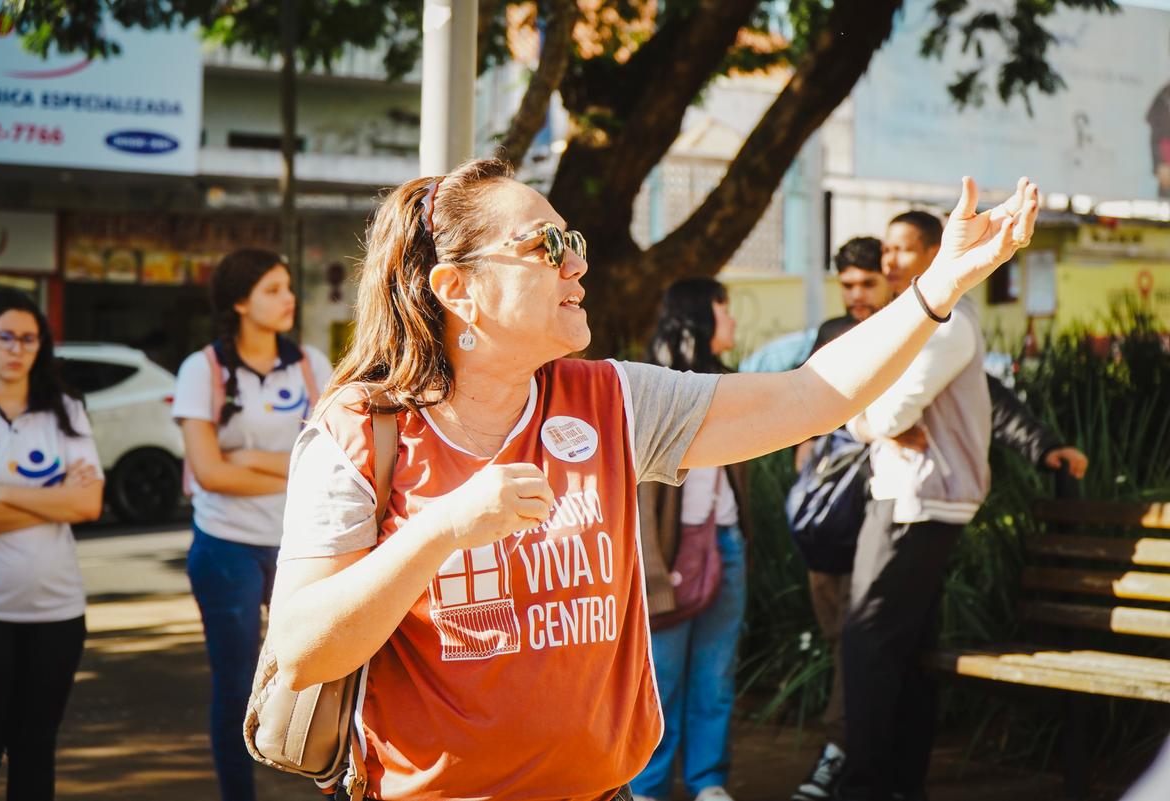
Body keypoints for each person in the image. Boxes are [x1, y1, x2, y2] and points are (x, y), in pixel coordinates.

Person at [267, 159, 1038, 801]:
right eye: (548, 244)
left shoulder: (613, 399)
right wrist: (444, 528)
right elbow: (303, 651)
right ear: (457, 288)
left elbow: (812, 397)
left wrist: (939, 290)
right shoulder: (363, 429)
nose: (579, 261)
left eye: (573, 240)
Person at [790, 232, 1089, 801]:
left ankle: (868, 782)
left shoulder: (939, 320)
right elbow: (835, 399)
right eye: (853, 281)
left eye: (887, 264)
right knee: (883, 645)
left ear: (932, 255)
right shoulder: (866, 328)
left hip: (909, 498)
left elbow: (975, 396)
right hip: (850, 511)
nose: (879, 271)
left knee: (869, 642)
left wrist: (1039, 443)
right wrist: (874, 417)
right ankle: (888, 779)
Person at [172, 249, 332, 801]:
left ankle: (335, 784)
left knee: (320, 673)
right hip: (227, 547)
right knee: (236, 684)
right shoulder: (204, 369)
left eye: (288, 286)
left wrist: (250, 460)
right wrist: (292, 467)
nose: (288, 297)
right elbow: (211, 473)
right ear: (240, 302)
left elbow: (331, 458)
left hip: (302, 545)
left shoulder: (311, 363)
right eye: (272, 288)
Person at [0, 289, 105, 801]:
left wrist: (0, 491)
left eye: (29, 338)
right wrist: (53, 495)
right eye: (5, 336)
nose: (16, 348)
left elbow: (88, 505)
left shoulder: (65, 409)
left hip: (57, 614)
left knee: (35, 747)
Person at [632, 278, 749, 801]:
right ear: (703, 314)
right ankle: (649, 787)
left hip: (727, 543)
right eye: (725, 307)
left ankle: (709, 782)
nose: (733, 320)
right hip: (667, 554)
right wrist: (652, 566)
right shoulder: (655, 384)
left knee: (717, 674)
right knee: (662, 679)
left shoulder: (733, 385)